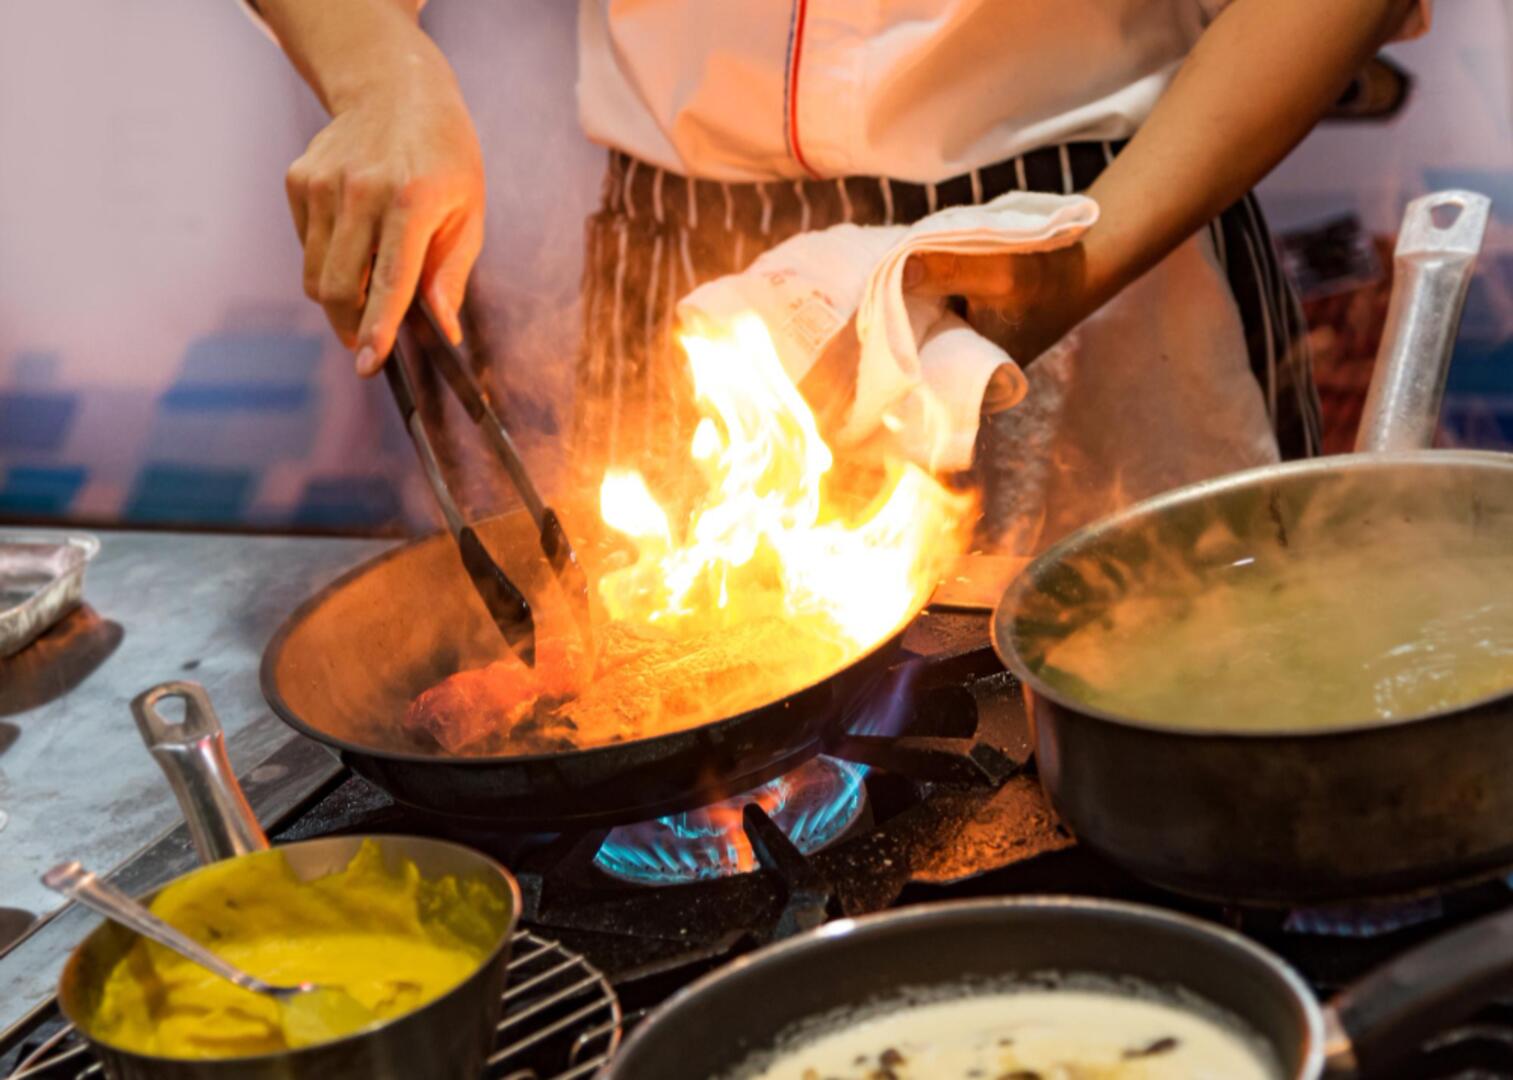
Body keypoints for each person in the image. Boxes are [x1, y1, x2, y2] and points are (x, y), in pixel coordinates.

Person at [247, 0, 1429, 550]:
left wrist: (1070, 264)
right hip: (689, 272)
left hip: (1093, 245)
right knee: (690, 771)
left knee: (1158, 792)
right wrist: (380, 71)